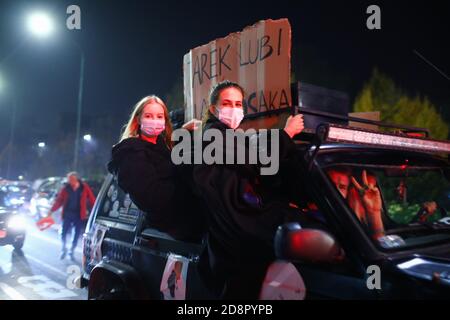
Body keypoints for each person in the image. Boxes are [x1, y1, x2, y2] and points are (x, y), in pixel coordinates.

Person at [193, 80, 308, 299]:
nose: (234, 109)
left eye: (238, 104)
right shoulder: (214, 136)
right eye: (227, 103)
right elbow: (258, 162)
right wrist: (286, 134)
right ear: (213, 109)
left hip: (236, 232)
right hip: (236, 235)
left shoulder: (229, 137)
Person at [107, 95, 205, 242]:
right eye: (148, 116)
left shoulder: (161, 146)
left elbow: (162, 154)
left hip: (186, 222)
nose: (154, 121)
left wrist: (183, 131)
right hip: (175, 228)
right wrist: (186, 175)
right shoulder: (130, 153)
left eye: (159, 116)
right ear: (138, 119)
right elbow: (153, 199)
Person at [48, 172, 96, 260]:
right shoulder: (66, 188)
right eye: (69, 179)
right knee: (63, 232)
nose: (70, 181)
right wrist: (52, 210)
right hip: (67, 214)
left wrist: (96, 211)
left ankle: (71, 251)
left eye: (71, 179)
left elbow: (92, 199)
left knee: (76, 233)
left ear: (76, 179)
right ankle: (63, 248)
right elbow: (59, 201)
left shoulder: (83, 187)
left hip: (78, 215)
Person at [327, 168, 385, 239]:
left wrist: (374, 213)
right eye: (365, 187)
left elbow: (381, 241)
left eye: (374, 187)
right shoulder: (336, 216)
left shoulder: (373, 215)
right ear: (354, 189)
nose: (370, 192)